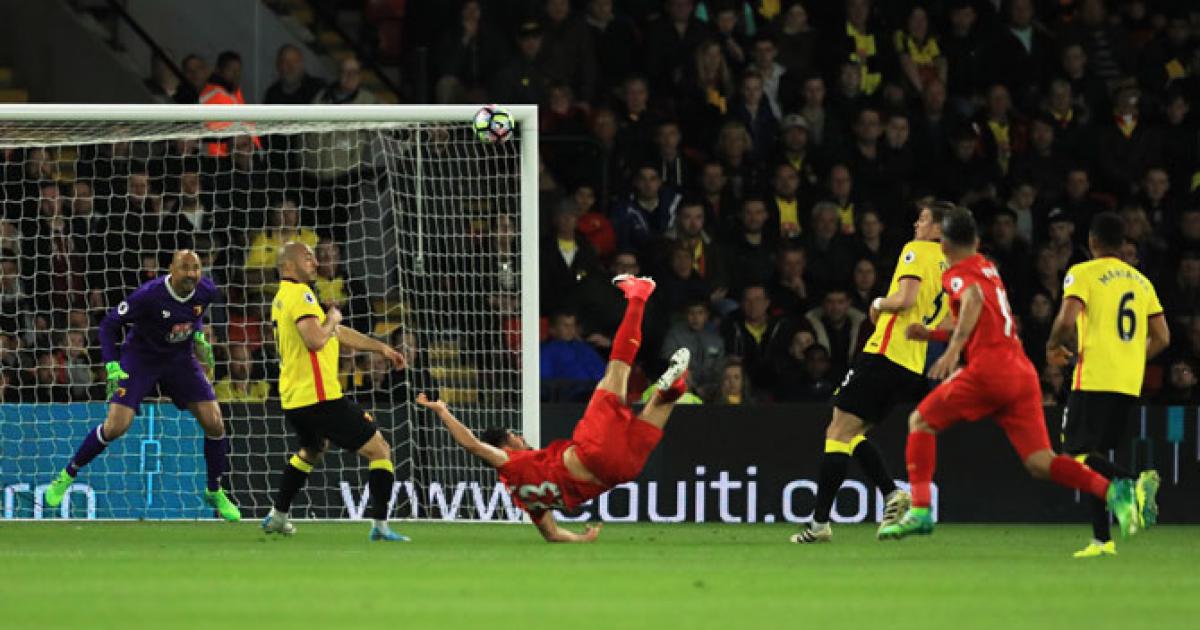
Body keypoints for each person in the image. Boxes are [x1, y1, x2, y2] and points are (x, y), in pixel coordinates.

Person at [879, 207, 1143, 543]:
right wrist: (931, 334)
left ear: (943, 244)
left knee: (920, 421)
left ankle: (919, 510)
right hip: (1021, 372)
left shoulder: (957, 272)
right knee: (1041, 462)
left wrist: (952, 350)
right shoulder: (987, 267)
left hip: (989, 370)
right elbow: (979, 318)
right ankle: (1113, 491)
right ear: (976, 241)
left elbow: (972, 300)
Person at [418, 275, 690, 542]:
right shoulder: (511, 463)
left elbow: (553, 534)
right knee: (616, 371)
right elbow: (472, 444)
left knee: (661, 405)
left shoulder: (525, 498)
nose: (520, 437)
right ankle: (639, 295)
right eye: (513, 435)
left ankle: (675, 387)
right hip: (594, 453)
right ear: (504, 446)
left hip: (622, 472)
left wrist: (582, 539)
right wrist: (443, 411)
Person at [790, 202, 949, 543]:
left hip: (885, 354)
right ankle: (890, 494)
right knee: (849, 431)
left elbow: (905, 299)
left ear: (939, 228)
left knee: (837, 432)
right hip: (911, 365)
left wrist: (877, 304)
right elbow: (948, 321)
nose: (916, 224)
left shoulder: (917, 250)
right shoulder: (952, 267)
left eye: (923, 219)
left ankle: (820, 524)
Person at [42, 251, 239, 521]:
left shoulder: (206, 290)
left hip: (179, 360)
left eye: (196, 268)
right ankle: (67, 475)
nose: (191, 274)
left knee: (215, 422)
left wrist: (198, 335)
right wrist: (111, 363)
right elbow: (109, 324)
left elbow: (195, 313)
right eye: (185, 268)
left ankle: (214, 490)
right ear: (171, 269)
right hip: (141, 359)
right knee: (116, 426)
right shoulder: (149, 294)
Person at [260, 242, 409, 541]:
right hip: (320, 397)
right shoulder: (300, 295)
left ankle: (278, 515)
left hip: (295, 398)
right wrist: (332, 318)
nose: (315, 262)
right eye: (307, 257)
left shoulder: (284, 297)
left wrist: (380, 347)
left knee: (313, 449)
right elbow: (316, 339)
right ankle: (380, 526)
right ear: (288, 265)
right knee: (380, 449)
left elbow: (337, 333)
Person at [1045, 211, 1169, 557]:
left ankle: (1132, 481)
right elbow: (1162, 337)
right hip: (1127, 382)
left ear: (1092, 242)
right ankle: (1102, 539)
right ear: (1122, 243)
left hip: (1094, 376)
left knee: (1075, 454)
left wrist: (1052, 346)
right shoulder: (1142, 282)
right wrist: (1132, 359)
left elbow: (1066, 319)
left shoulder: (1083, 272)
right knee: (1094, 457)